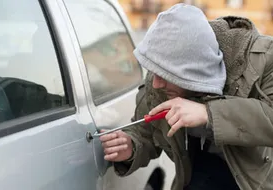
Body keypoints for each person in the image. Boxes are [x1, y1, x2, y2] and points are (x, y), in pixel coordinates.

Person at [100, 3, 273, 190]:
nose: (156, 83)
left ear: (193, 72)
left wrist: (209, 113)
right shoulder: (159, 78)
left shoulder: (262, 60)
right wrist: (130, 147)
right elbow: (146, 132)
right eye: (154, 72)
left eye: (165, 75)